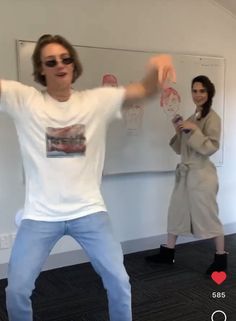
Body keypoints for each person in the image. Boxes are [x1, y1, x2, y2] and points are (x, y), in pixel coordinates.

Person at [0, 34, 176, 321]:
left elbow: (144, 89)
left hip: (89, 212)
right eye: (51, 61)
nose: (60, 64)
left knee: (119, 281)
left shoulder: (96, 101)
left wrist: (157, 69)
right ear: (41, 69)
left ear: (73, 64)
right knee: (16, 290)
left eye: (66, 58)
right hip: (40, 216)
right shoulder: (24, 100)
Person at [146, 75, 227, 275]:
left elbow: (211, 148)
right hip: (185, 175)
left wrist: (194, 131)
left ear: (209, 93)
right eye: (194, 90)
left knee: (209, 216)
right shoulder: (192, 118)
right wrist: (180, 130)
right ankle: (168, 252)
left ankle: (221, 257)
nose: (198, 95)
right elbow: (179, 149)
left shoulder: (213, 118)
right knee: (176, 212)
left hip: (202, 176)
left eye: (202, 91)